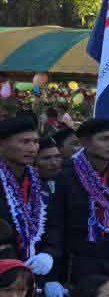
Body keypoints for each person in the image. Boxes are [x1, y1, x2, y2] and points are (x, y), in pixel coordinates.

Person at [41, 118, 109, 297]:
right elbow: (55, 227)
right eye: (105, 139)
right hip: (82, 261)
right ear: (85, 142)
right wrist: (51, 277)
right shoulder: (65, 175)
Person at [0, 115, 53, 277]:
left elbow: (54, 225)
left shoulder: (38, 181)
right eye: (24, 142)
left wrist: (48, 254)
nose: (32, 148)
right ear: (1, 145)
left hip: (35, 269)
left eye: (35, 142)